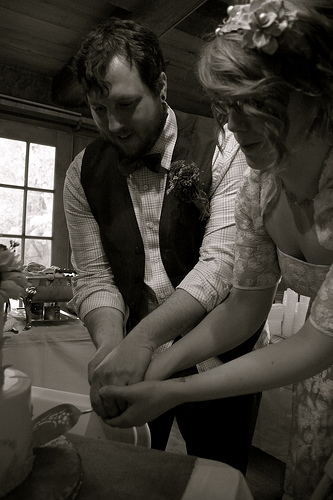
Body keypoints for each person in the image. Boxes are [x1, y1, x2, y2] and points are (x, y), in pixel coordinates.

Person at [98, 2, 333, 498]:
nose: (235, 123)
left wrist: (172, 391)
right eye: (225, 105)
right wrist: (158, 366)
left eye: (259, 102)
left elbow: (317, 342)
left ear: (317, 96)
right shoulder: (259, 185)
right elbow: (245, 307)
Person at [62, 17, 262, 474]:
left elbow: (221, 263)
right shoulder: (81, 174)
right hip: (136, 358)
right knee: (130, 472)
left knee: (218, 475)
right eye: (97, 109)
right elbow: (95, 274)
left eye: (125, 104)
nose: (112, 124)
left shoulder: (225, 147)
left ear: (162, 86)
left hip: (221, 361)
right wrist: (114, 344)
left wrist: (143, 340)